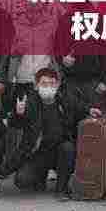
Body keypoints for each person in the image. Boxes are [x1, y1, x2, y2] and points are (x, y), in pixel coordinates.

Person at [9, 68, 77, 200]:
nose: (48, 87)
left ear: (57, 85)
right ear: (36, 86)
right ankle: (40, 177)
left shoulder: (64, 100)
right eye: (44, 84)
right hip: (37, 152)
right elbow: (15, 124)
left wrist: (90, 110)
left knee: (68, 147)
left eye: (52, 83)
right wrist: (18, 114)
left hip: (59, 152)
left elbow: (80, 109)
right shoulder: (30, 102)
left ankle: (61, 189)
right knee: (22, 181)